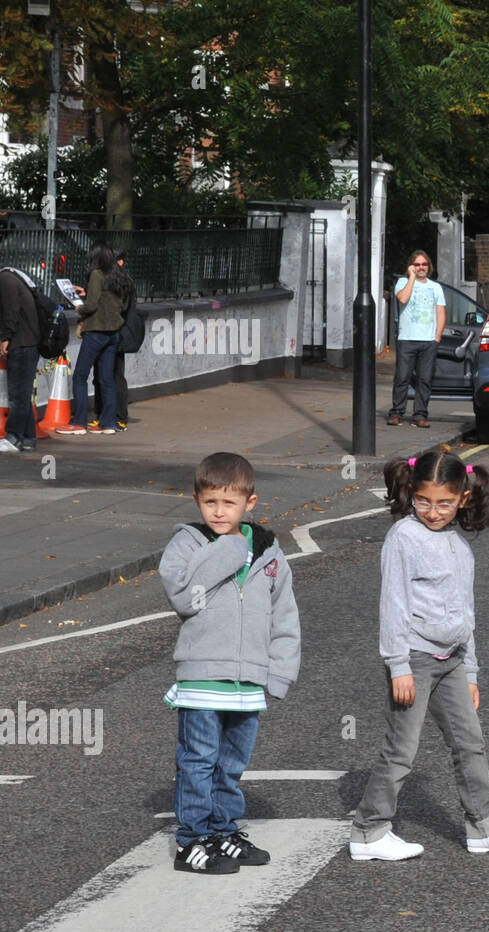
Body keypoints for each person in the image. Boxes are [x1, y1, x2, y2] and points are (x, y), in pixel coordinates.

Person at [350, 449, 489, 860]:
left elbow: (465, 610)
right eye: (423, 501)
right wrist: (398, 666)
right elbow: (393, 605)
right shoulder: (403, 538)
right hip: (414, 658)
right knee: (401, 751)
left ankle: (484, 827)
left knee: (471, 744)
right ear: (412, 494)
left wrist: (470, 670)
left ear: (463, 499)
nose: (433, 512)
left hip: (452, 659)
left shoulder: (457, 543)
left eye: (444, 503)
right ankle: (368, 831)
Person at [159, 453, 301, 874]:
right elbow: (184, 596)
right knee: (198, 759)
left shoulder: (270, 554)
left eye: (229, 503)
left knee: (231, 763)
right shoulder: (187, 543)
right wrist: (231, 546)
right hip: (202, 675)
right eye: (210, 503)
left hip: (248, 680)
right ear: (197, 501)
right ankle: (192, 841)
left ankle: (222, 830)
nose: (219, 512)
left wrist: (279, 671)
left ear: (250, 503)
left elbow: (285, 613)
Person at [57, 240, 129, 436]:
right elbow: (120, 305)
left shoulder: (97, 274)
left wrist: (79, 306)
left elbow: (91, 306)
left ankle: (79, 422)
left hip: (96, 332)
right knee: (107, 379)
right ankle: (108, 423)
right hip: (113, 333)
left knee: (80, 376)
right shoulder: (118, 276)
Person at [386, 250, 445, 428]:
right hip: (407, 339)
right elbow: (402, 299)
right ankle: (397, 412)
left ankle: (420, 415)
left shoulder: (436, 287)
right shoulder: (403, 283)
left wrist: (437, 337)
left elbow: (441, 312)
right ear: (412, 266)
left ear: (429, 267)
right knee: (402, 377)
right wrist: (411, 277)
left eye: (424, 264)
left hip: (428, 341)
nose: (421, 267)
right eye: (417, 264)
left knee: (424, 380)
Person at [92, 249, 134, 432]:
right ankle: (102, 414)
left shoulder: (124, 281)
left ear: (120, 262)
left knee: (115, 375)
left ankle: (120, 417)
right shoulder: (109, 279)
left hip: (118, 332)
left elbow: (120, 307)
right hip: (105, 330)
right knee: (100, 375)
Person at [0, 266, 40, 454]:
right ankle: (28, 437)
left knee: (17, 394)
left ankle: (14, 436)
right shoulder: (13, 277)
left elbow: (10, 312)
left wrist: (5, 338)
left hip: (21, 344)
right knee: (23, 394)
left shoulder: (5, 280)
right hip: (28, 343)